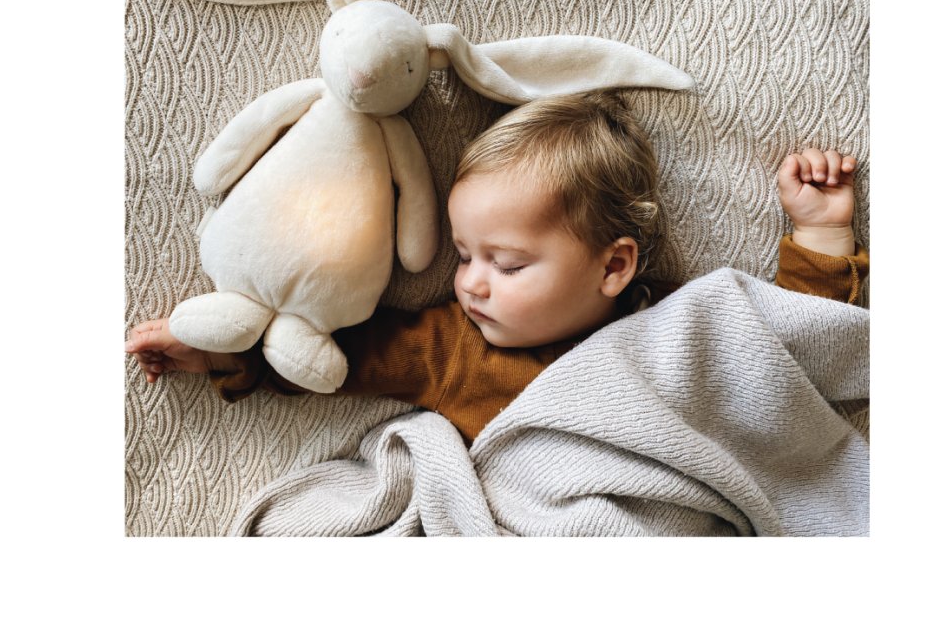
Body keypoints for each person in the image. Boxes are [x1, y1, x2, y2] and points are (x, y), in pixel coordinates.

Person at [126, 92, 869, 446]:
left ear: (614, 266)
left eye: (507, 263)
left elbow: (793, 354)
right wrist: (223, 352)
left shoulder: (682, 324)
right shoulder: (454, 347)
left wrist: (820, 229)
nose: (471, 282)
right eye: (463, 255)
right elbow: (333, 359)